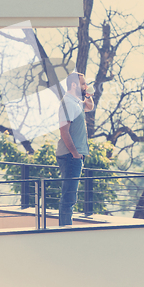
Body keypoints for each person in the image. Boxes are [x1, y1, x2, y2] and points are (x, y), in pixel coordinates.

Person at [56, 72, 94, 226]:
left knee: (71, 195)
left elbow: (90, 107)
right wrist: (75, 154)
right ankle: (65, 230)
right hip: (70, 156)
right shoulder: (69, 104)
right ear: (74, 85)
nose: (85, 85)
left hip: (73, 156)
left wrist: (87, 94)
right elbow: (64, 132)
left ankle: (65, 228)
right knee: (69, 197)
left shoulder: (77, 102)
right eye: (83, 83)